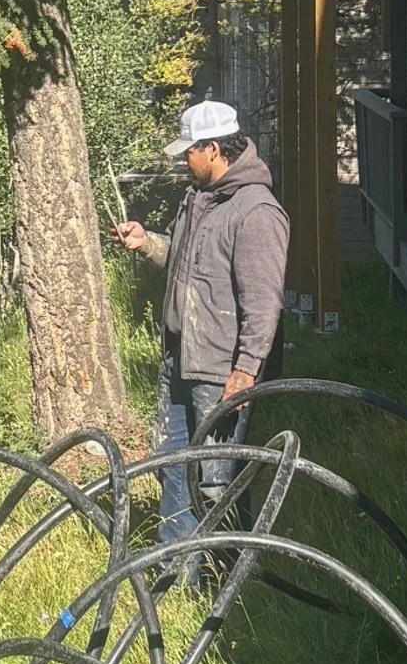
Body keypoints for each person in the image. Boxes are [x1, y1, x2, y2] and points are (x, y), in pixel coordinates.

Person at [117, 98, 290, 551]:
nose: (183, 160)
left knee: (217, 482)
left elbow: (264, 303)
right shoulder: (199, 200)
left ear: (213, 149)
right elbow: (184, 257)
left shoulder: (257, 212)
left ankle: (230, 582)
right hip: (180, 357)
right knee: (173, 468)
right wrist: (148, 243)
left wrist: (245, 372)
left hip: (220, 372)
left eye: (188, 151)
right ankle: (177, 576)